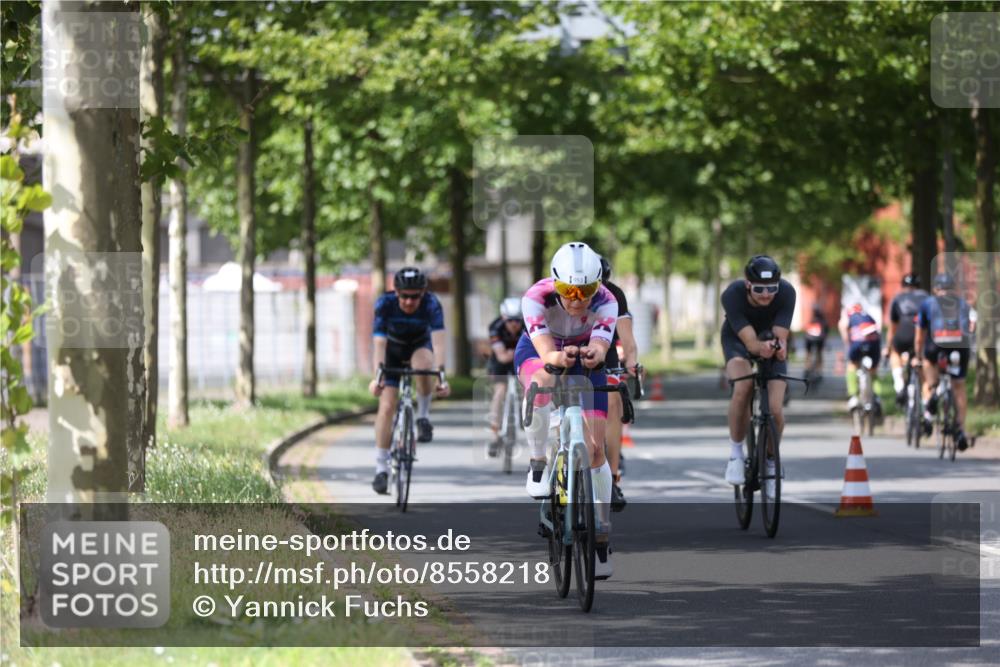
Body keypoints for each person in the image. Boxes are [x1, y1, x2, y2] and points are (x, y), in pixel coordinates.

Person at [518, 241, 618, 578]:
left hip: (582, 356)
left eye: (586, 290)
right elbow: (547, 353)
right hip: (540, 351)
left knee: (594, 451)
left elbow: (602, 345)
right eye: (568, 290)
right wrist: (556, 359)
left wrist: (595, 353)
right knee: (543, 381)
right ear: (555, 283)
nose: (577, 299)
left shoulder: (607, 300)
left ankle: (601, 535)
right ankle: (537, 462)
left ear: (598, 285)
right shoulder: (535, 297)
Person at [369, 267, 450, 495]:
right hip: (391, 350)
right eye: (404, 295)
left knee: (424, 366)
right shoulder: (384, 303)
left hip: (419, 346)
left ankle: (423, 417)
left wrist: (442, 376)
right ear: (396, 293)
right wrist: (377, 377)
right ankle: (381, 468)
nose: (409, 301)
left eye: (415, 296)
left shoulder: (432, 304)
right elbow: (378, 344)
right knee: (386, 407)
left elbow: (440, 343)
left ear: (423, 293)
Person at [721, 255, 796, 495]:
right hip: (738, 340)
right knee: (743, 387)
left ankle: (771, 463)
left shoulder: (786, 293)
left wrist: (780, 348)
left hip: (769, 338)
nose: (766, 295)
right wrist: (760, 348)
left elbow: (780, 335)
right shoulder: (731, 295)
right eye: (759, 289)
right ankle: (735, 454)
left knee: (775, 409)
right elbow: (751, 344)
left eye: (771, 288)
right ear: (747, 285)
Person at [914, 273, 975, 450]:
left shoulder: (927, 303)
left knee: (928, 366)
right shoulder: (964, 304)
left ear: (935, 289)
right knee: (959, 387)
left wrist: (918, 355)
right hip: (959, 347)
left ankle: (932, 395)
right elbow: (971, 328)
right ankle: (961, 430)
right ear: (953, 289)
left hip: (936, 347)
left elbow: (920, 335)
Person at [598, 256, 639, 513]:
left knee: (613, 401)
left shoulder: (613, 294)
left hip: (605, 350)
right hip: (567, 347)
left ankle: (611, 479)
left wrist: (632, 361)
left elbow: (627, 338)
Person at [486, 297, 524, 456]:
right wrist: (514, 353)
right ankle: (494, 435)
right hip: (500, 362)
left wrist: (513, 353)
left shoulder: (527, 326)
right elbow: (501, 357)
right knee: (500, 392)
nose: (514, 324)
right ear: (503, 318)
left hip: (520, 359)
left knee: (527, 386)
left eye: (517, 320)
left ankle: (524, 414)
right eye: (510, 321)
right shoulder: (495, 327)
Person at [884, 273, 928, 406]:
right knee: (922, 366)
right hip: (922, 336)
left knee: (895, 353)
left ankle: (899, 385)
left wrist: (888, 347)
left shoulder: (897, 299)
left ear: (903, 286)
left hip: (903, 334)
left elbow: (892, 329)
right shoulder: (926, 297)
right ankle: (926, 406)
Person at [838, 302, 883, 416]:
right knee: (873, 370)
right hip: (874, 342)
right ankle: (877, 397)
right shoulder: (867, 315)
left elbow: (843, 327)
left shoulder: (848, 315)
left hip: (858, 342)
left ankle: (853, 397)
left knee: (852, 365)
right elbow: (878, 330)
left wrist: (847, 344)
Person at [803, 303, 828, 379]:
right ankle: (818, 370)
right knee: (819, 353)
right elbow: (826, 332)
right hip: (819, 339)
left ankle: (807, 368)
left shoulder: (811, 320)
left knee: (809, 353)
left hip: (809, 339)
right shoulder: (823, 321)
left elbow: (806, 330)